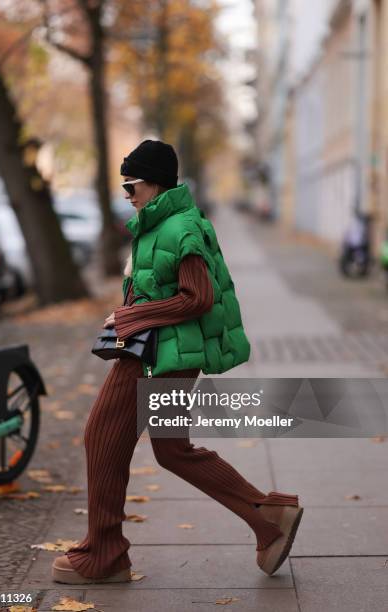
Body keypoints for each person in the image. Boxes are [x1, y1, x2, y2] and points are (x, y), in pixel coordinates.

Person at [51, 140, 303, 584]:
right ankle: (268, 516)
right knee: (171, 450)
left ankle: (106, 552)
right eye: (124, 186)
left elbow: (198, 298)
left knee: (102, 438)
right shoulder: (161, 223)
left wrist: (132, 316)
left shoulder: (179, 227)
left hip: (160, 356)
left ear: (155, 183)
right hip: (164, 352)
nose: (127, 194)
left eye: (132, 185)